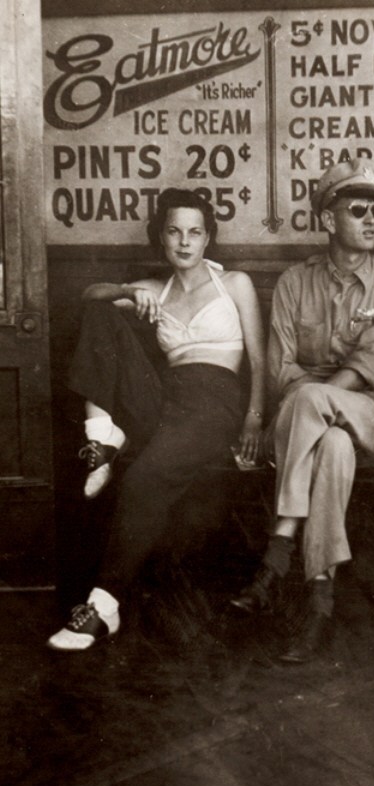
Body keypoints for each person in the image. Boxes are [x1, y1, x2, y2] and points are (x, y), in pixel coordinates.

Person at [48, 188, 266, 651]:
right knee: (102, 311)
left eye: (194, 232)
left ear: (208, 239)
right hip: (167, 399)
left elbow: (260, 360)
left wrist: (253, 416)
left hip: (216, 402)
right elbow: (90, 296)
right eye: (174, 231)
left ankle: (104, 605)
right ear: (160, 238)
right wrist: (128, 292)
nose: (184, 242)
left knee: (144, 477)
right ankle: (102, 434)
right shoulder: (153, 290)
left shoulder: (236, 284)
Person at [230, 158, 374, 663]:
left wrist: (315, 401)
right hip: (309, 426)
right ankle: (319, 599)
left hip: (372, 419)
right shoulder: (294, 282)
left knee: (318, 404)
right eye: (358, 209)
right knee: (329, 443)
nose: (372, 219)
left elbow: (362, 370)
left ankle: (278, 550)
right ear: (328, 218)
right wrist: (311, 410)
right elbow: (279, 370)